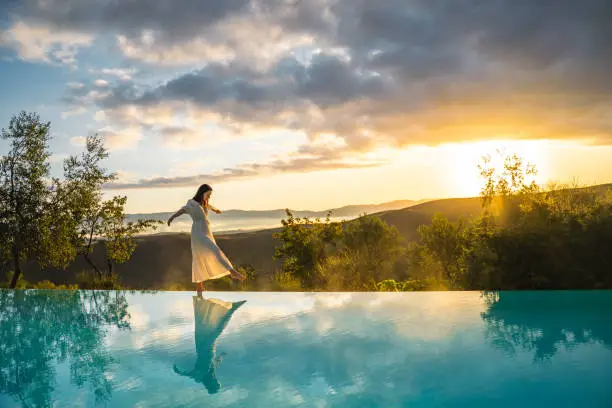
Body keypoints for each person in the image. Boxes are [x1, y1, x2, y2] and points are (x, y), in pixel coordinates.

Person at [167, 184, 245, 295]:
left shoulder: (204, 204)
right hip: (198, 232)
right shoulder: (191, 204)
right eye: (208, 195)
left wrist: (216, 210)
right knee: (213, 251)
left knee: (203, 255)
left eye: (210, 195)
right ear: (202, 193)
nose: (209, 197)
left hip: (206, 231)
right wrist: (172, 217)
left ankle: (199, 287)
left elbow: (210, 207)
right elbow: (182, 210)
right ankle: (232, 272)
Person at [173, 296, 247, 394]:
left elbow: (190, 374)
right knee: (212, 330)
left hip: (202, 347)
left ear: (211, 384)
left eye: (216, 382)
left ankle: (230, 308)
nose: (217, 380)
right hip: (208, 347)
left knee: (211, 329)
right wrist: (222, 355)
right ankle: (228, 308)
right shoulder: (211, 372)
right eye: (217, 382)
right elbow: (216, 361)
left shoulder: (200, 377)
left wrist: (179, 372)